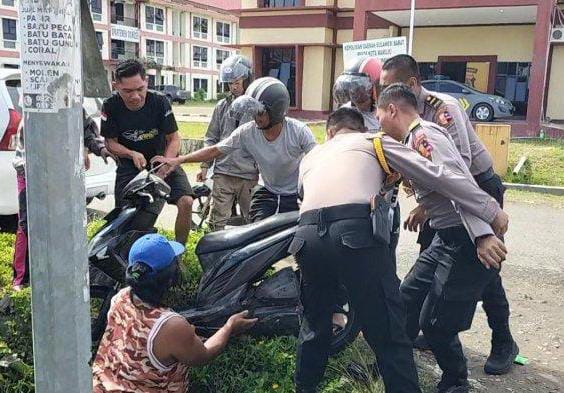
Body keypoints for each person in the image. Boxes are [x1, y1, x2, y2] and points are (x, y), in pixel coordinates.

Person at [292, 102, 508, 393]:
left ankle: (304, 388)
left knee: (315, 327)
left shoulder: (313, 155)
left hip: (307, 238)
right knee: (390, 333)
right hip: (353, 235)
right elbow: (438, 175)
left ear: (330, 133)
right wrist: (489, 208)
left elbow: (305, 199)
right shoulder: (373, 141)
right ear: (361, 129)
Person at [380, 54, 518, 376]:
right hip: (448, 200)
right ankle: (431, 326)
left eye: (391, 87)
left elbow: (460, 171)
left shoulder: (444, 110)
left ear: (412, 84)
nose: (386, 96)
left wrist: (477, 227)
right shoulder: (409, 120)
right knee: (438, 261)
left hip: (478, 189)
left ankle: (502, 341)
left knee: (481, 268)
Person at [92, 233, 257, 392]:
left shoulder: (121, 297)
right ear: (170, 277)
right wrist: (229, 327)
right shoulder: (170, 325)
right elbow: (203, 356)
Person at [152, 77, 317, 223]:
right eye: (252, 111)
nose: (255, 117)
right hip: (268, 192)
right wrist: (179, 160)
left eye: (259, 112)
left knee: (299, 239)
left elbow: (318, 158)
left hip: (297, 195)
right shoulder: (248, 131)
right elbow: (216, 149)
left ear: (276, 111)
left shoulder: (298, 131)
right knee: (256, 235)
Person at [11, 109, 114, 290]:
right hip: (31, 173)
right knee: (29, 225)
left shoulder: (73, 106)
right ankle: (22, 280)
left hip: (64, 175)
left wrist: (99, 149)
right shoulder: (34, 109)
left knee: (65, 224)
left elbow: (88, 132)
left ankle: (63, 275)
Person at [101, 60, 194, 244]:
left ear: (147, 82)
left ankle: (179, 251)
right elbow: (110, 143)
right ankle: (125, 253)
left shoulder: (160, 101)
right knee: (125, 215)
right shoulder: (110, 106)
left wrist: (166, 163)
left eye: (140, 89)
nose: (135, 96)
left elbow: (174, 139)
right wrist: (130, 153)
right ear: (116, 86)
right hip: (130, 166)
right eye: (127, 91)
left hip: (162, 159)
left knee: (186, 201)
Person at [198, 54, 259, 230]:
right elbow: (211, 137)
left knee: (252, 221)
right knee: (216, 221)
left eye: (237, 82)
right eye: (230, 83)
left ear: (248, 80)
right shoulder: (221, 107)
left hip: (249, 174)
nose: (233, 87)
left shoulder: (258, 108)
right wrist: (204, 165)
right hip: (223, 172)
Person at [333, 56, 383, 131]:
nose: (354, 102)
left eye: (360, 95)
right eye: (350, 92)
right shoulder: (343, 115)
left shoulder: (385, 116)